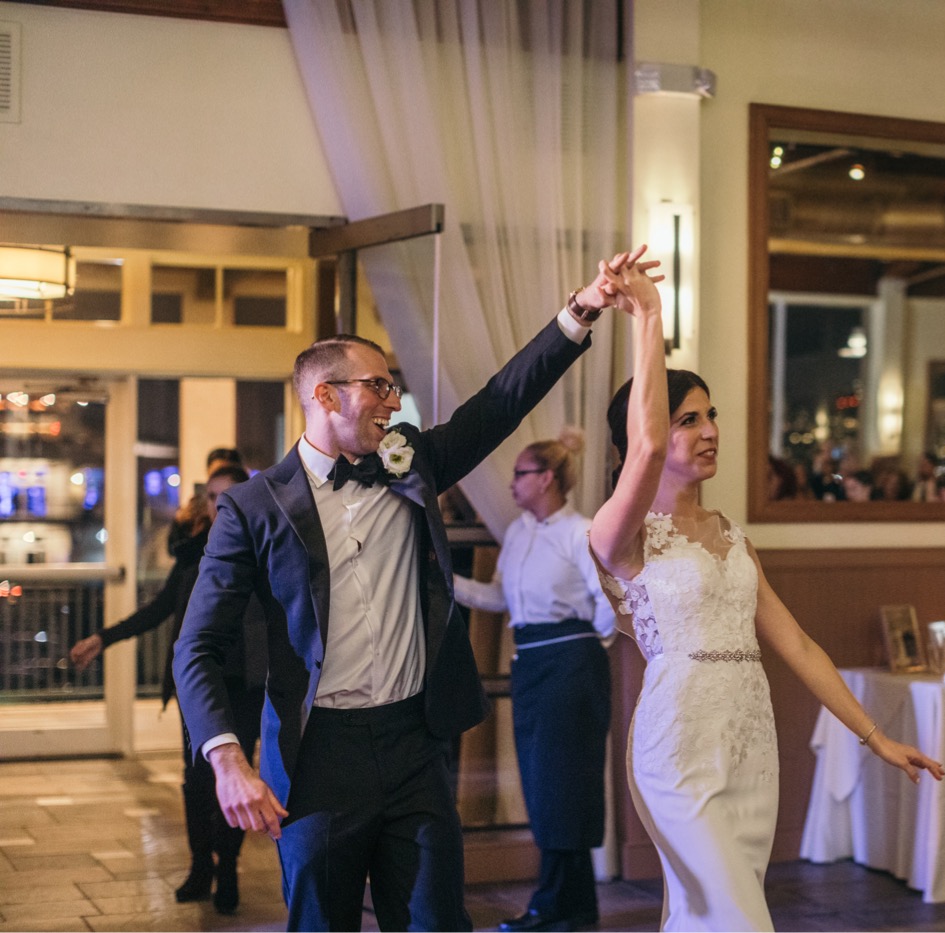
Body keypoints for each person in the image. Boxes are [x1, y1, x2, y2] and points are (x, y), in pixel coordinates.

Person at [174, 245, 656, 932]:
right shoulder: (254, 507)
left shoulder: (413, 461)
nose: (394, 401)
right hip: (317, 757)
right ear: (326, 395)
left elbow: (501, 401)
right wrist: (226, 757)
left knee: (438, 921)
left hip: (414, 743)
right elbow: (195, 644)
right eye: (378, 386)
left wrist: (582, 310)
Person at [588, 261, 944, 931]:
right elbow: (648, 448)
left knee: (708, 917)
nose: (710, 430)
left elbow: (799, 646)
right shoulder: (620, 536)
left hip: (750, 746)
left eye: (711, 415)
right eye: (688, 419)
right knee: (738, 918)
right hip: (678, 749)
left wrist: (875, 737)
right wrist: (649, 318)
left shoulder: (732, 538)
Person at [71, 464, 265, 915]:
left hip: (246, 684)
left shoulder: (266, 547)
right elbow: (160, 609)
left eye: (229, 495)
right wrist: (104, 638)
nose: (219, 505)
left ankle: (228, 868)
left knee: (236, 775)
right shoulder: (194, 554)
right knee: (197, 780)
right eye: (213, 497)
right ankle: (200, 866)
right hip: (200, 685)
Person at [450, 434, 615, 933]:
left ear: (547, 478)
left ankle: (552, 906)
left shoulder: (582, 533)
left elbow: (609, 604)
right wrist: (444, 582)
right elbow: (500, 599)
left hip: (571, 666)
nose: (511, 483)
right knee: (545, 786)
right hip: (532, 664)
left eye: (521, 473)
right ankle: (576, 906)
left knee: (565, 784)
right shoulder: (518, 534)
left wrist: (581, 648)